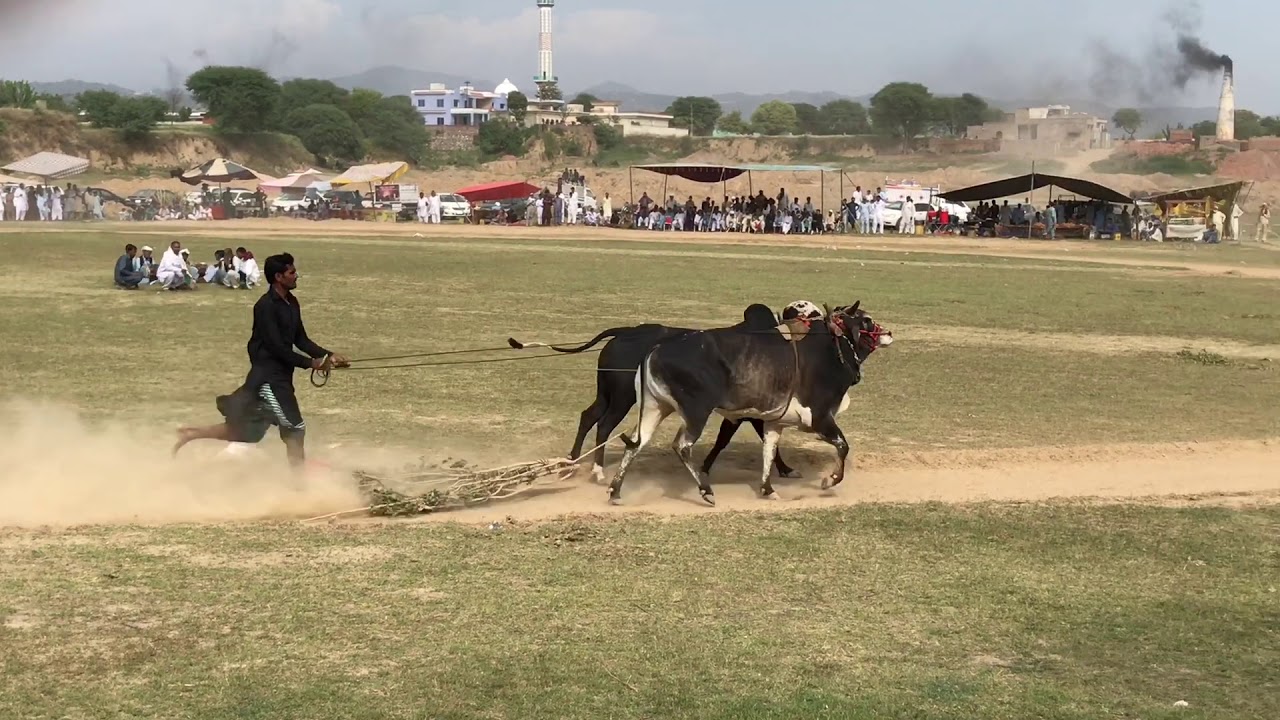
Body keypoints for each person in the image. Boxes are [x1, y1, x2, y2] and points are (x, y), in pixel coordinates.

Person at [173, 253, 349, 467]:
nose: (296, 276)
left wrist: (328, 355)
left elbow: (300, 339)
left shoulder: (291, 302)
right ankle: (299, 485)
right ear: (278, 276)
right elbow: (277, 348)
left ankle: (192, 433)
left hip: (280, 378)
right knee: (295, 428)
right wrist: (311, 364)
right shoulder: (265, 306)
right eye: (291, 272)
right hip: (268, 380)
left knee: (249, 430)